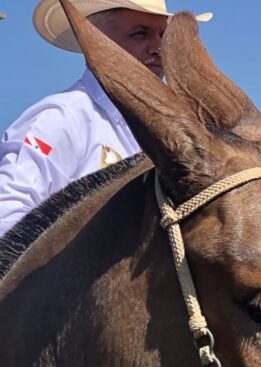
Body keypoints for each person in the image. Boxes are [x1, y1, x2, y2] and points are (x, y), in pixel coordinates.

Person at [0, 0, 212, 239]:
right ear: (97, 42)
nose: (158, 48)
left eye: (163, 36)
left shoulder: (170, 132)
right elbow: (7, 215)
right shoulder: (63, 118)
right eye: (140, 33)